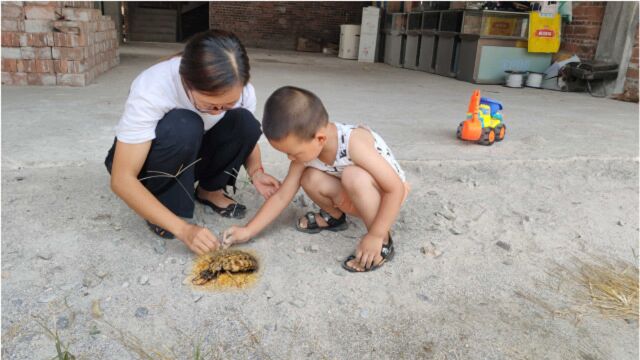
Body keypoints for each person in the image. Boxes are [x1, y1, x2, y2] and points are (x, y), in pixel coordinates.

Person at [105, 30, 280, 255]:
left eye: (227, 104)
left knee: (244, 121)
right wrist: (183, 230)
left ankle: (210, 190)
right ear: (187, 82)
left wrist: (256, 171)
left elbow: (244, 135)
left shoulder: (244, 91)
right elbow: (122, 179)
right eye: (210, 105)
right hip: (148, 160)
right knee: (185, 124)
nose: (218, 111)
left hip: (191, 152)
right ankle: (164, 203)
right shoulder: (153, 87)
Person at [223, 86, 409, 272]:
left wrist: (376, 235)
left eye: (292, 153)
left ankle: (383, 242)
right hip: (354, 195)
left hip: (385, 200)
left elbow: (395, 189)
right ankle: (333, 217)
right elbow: (282, 196)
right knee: (309, 177)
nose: (290, 158)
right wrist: (248, 230)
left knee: (353, 176)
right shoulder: (308, 149)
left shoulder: (354, 144)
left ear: (320, 139)